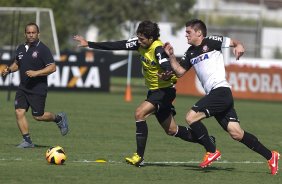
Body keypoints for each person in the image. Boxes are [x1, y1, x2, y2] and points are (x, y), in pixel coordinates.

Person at [73, 20, 215, 167]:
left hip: (164, 92)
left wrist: (166, 73)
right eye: (138, 38)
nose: (139, 42)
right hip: (154, 92)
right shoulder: (139, 43)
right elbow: (117, 44)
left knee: (140, 113)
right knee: (172, 130)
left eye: (142, 39)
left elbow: (166, 65)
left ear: (151, 39)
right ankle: (207, 140)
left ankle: (139, 157)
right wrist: (89, 43)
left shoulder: (158, 49)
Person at [163, 19, 280, 175]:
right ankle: (271, 156)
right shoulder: (190, 52)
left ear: (199, 32)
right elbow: (179, 72)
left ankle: (211, 150)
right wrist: (171, 56)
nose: (186, 35)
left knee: (191, 117)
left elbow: (235, 42)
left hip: (221, 91)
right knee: (236, 133)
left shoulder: (211, 41)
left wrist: (239, 46)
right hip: (216, 95)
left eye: (188, 32)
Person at [1, 22, 69, 148]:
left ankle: (58, 118)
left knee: (38, 116)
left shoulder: (43, 49)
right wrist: (9, 70)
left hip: (38, 88)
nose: (31, 35)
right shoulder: (20, 48)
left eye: (33, 32)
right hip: (23, 87)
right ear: (25, 34)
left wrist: (36, 73)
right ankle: (27, 141)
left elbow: (53, 68)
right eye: (29, 33)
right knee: (19, 112)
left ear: (38, 34)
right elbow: (17, 63)